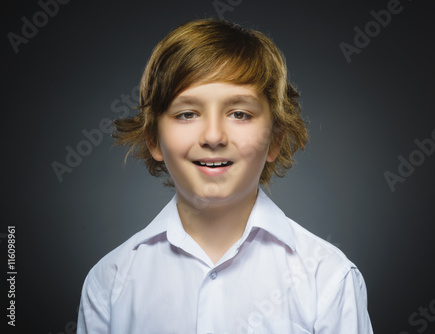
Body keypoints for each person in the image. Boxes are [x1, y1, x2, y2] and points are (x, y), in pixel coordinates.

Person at [77, 18, 373, 334]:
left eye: (239, 114)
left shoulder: (327, 278)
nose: (214, 136)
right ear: (153, 139)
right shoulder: (109, 283)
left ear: (274, 138)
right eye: (187, 113)